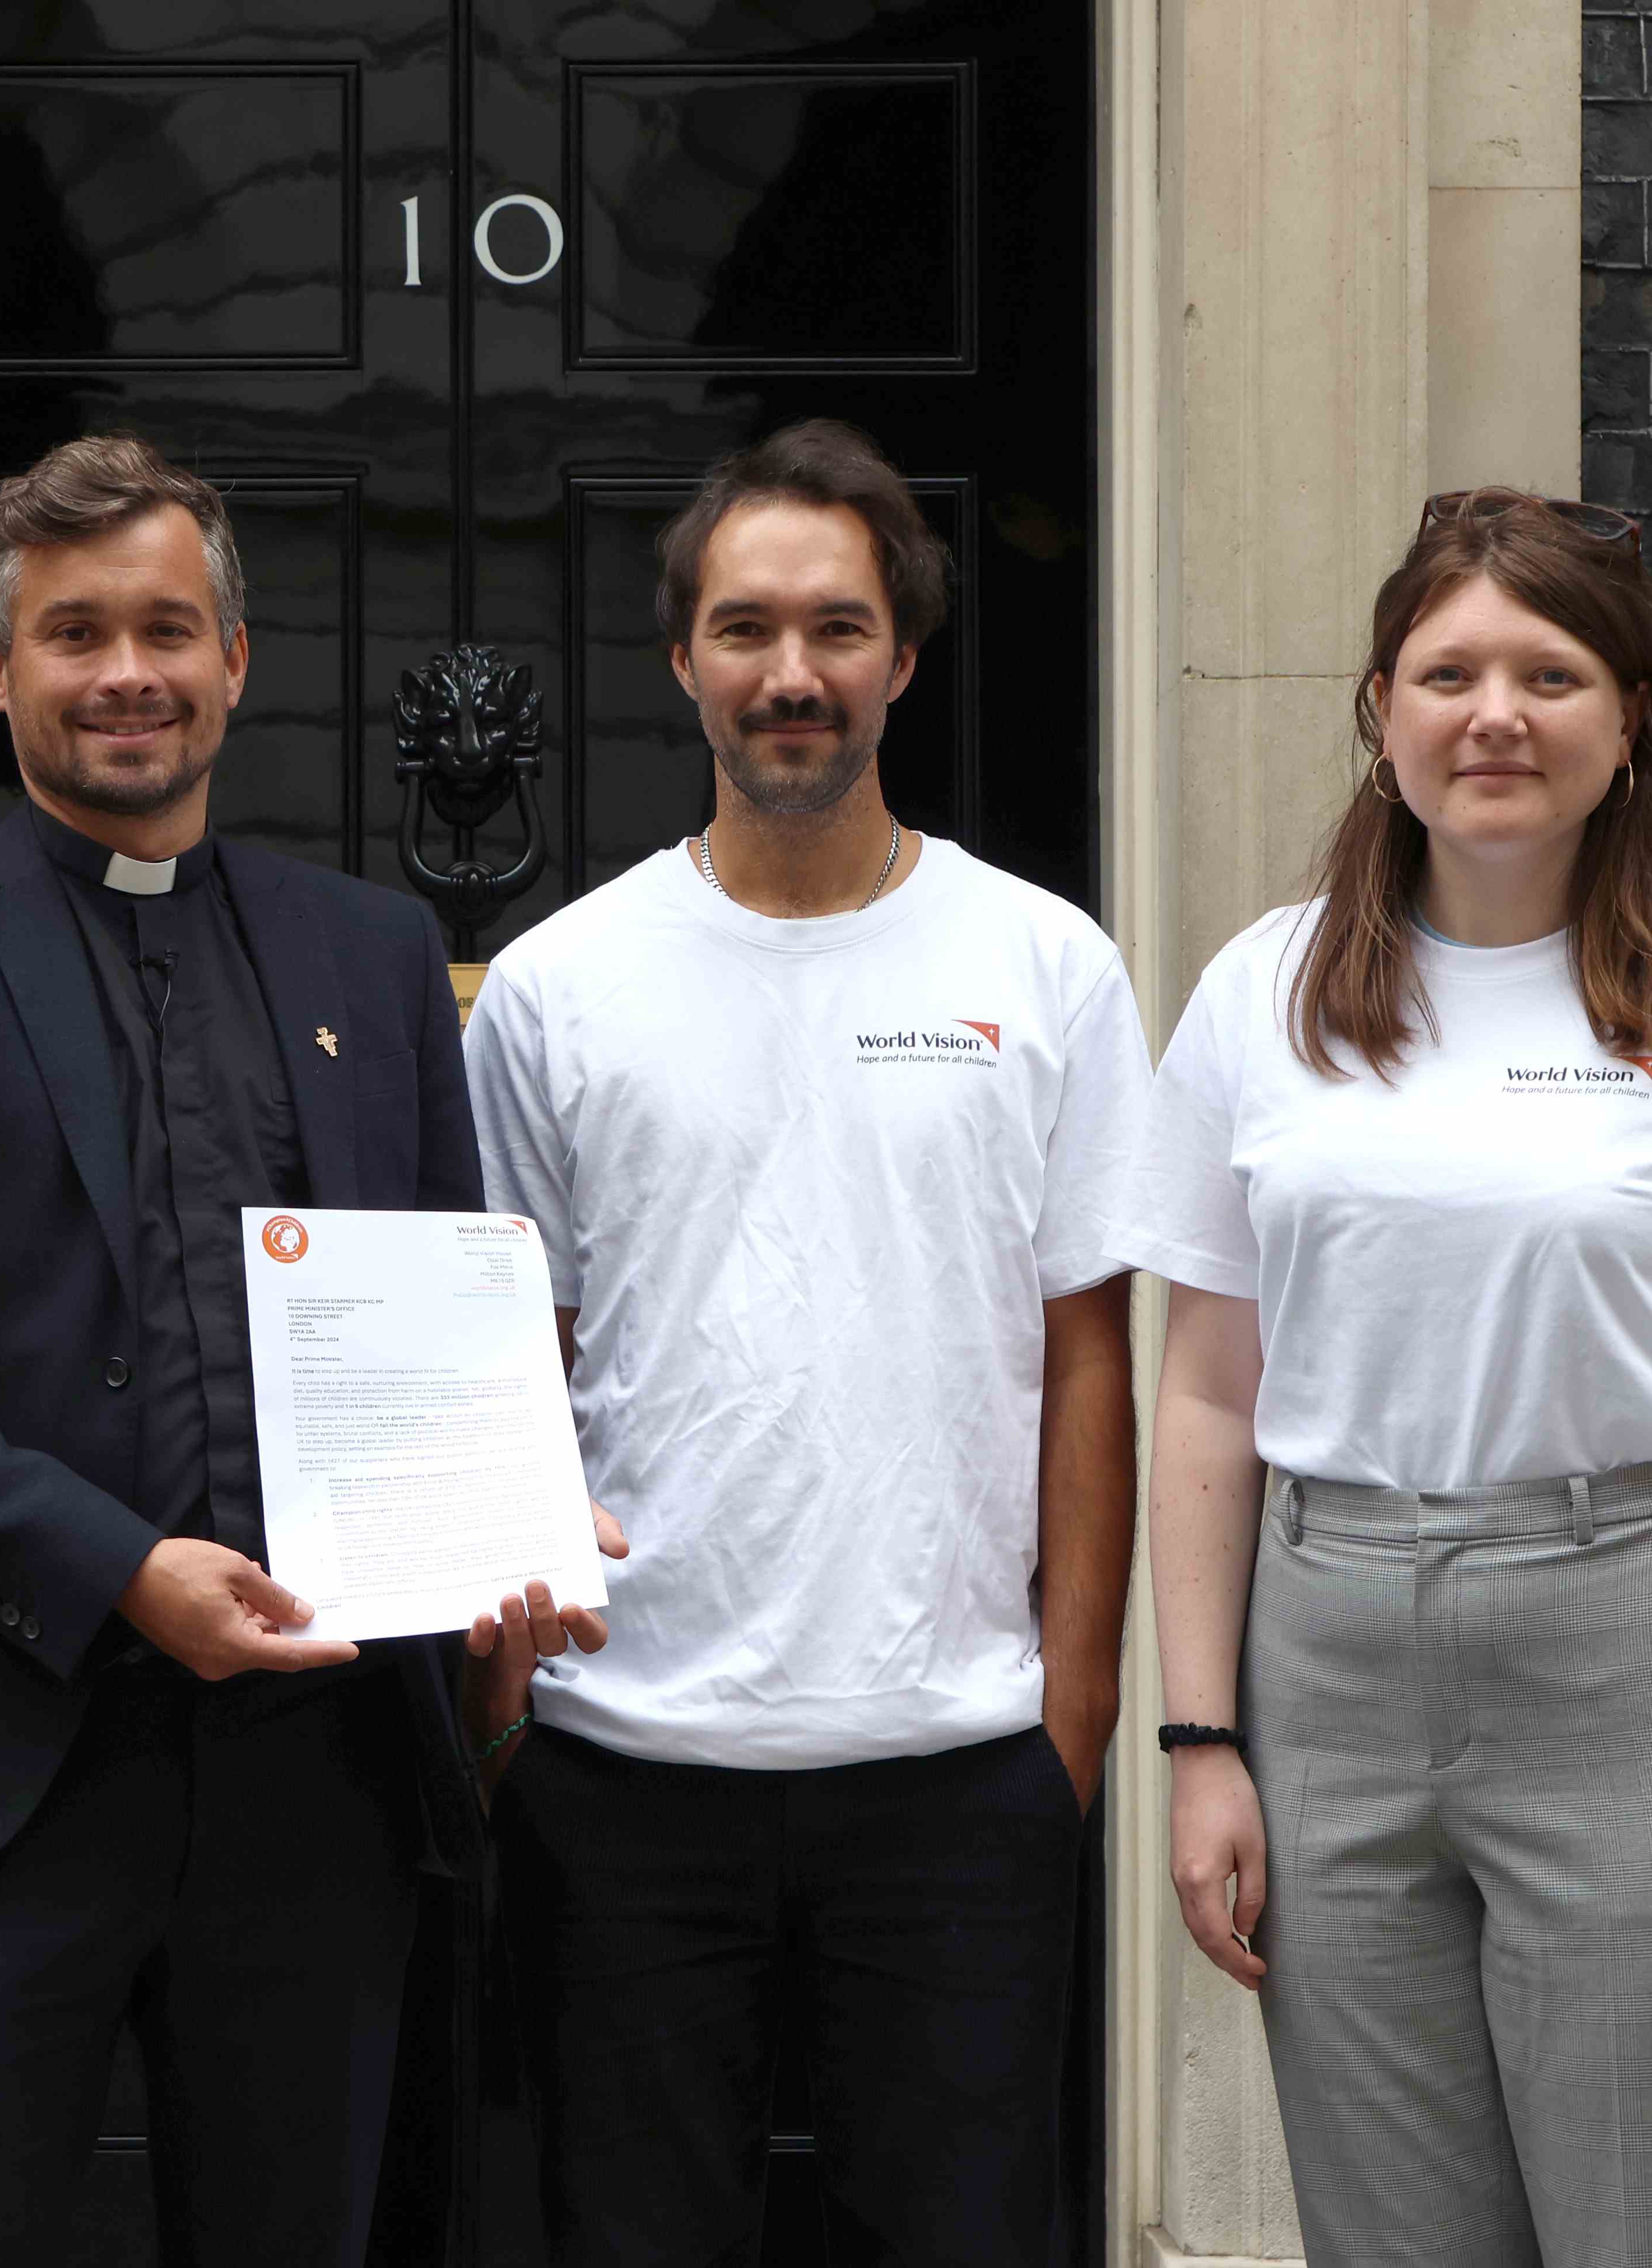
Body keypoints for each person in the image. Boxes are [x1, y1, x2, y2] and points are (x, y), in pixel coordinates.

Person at [0, 431, 594, 2265]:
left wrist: (501, 1540)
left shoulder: (372, 954)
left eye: (168, 630)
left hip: (320, 1783)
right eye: (75, 633)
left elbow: (444, 1326)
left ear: (236, 659)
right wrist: (116, 1567)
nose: (128, 672)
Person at [1127, 490, 1652, 2265]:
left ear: (1630, 720)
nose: (1495, 715)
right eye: (1449, 674)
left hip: (1641, 1649)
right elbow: (1205, 1398)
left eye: (1549, 676)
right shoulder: (1265, 994)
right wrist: (1201, 1744)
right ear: (1382, 712)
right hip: (1330, 1657)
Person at [457, 417, 1152, 2264]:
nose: (792, 673)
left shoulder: (1047, 968)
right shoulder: (554, 987)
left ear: (903, 657)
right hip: (622, 1769)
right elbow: (512, 1359)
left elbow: (1092, 1357)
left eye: (839, 628)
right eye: (747, 629)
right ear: (682, 656)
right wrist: (504, 1723)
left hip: (957, 1770)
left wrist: (1070, 1725)